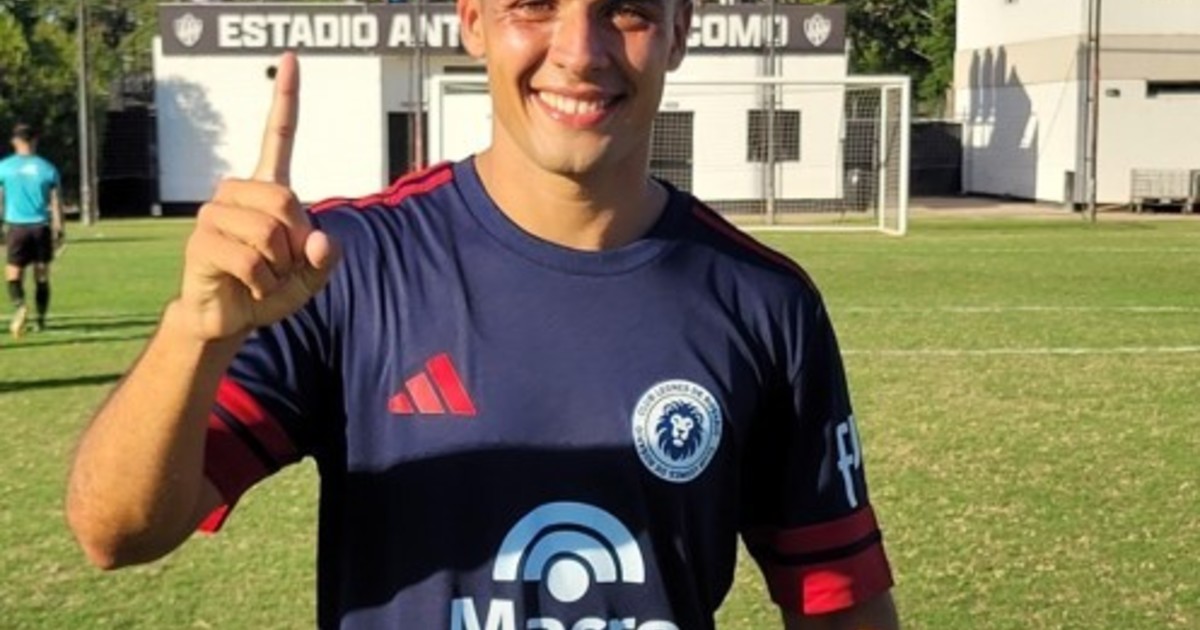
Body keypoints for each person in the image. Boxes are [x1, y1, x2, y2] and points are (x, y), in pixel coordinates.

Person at [67, 0, 900, 626]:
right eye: (534, 5)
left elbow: (838, 601)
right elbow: (116, 532)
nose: (579, 52)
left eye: (627, 11)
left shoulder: (766, 302)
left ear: (680, 30)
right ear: (473, 20)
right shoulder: (342, 266)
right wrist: (193, 334)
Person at [0, 123, 63, 338]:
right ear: (35, 140)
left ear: (15, 141)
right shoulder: (47, 168)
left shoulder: (4, 167)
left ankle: (20, 306)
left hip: (16, 227)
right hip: (40, 227)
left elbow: (0, 198)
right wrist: (59, 229)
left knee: (13, 273)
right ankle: (41, 321)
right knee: (41, 275)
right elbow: (56, 202)